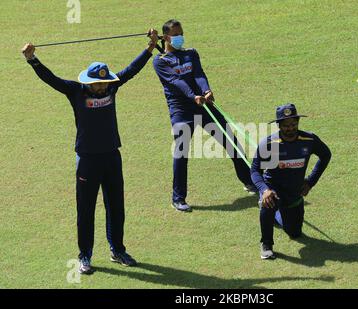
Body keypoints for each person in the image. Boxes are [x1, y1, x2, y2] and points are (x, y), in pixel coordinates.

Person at [22, 29, 159, 274]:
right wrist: (33, 60)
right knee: (85, 210)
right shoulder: (75, 91)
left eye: (106, 82)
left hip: (112, 157)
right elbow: (51, 79)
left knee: (116, 206)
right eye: (99, 83)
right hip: (87, 159)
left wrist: (150, 48)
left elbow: (130, 71)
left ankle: (117, 250)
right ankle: (84, 256)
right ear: (89, 82)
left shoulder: (111, 88)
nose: (103, 86)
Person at [152, 19, 256, 212]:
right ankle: (178, 198)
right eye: (176, 35)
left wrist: (206, 90)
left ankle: (250, 180)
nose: (180, 37)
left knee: (230, 141)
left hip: (203, 105)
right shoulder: (160, 61)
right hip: (181, 111)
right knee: (181, 154)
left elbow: (198, 74)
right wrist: (193, 96)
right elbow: (175, 81)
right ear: (166, 37)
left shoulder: (191, 53)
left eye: (181, 33)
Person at [250, 103, 332, 260]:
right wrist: (264, 190)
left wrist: (310, 182)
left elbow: (326, 155)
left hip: (295, 191)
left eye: (293, 124)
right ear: (279, 125)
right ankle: (266, 244)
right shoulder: (268, 144)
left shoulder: (309, 139)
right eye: (286, 125)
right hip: (273, 188)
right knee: (268, 203)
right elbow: (254, 171)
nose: (290, 128)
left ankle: (276, 215)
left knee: (295, 233)